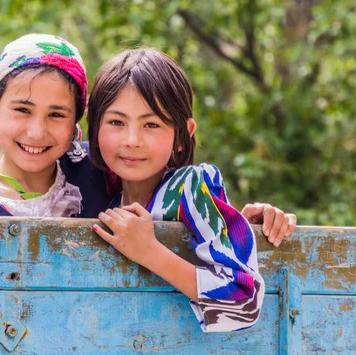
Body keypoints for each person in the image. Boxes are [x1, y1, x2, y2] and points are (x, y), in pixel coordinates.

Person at [0, 34, 296, 324]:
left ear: (77, 125)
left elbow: (235, 286)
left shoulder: (100, 177)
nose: (36, 132)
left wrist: (240, 224)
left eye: (57, 114)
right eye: (22, 109)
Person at [87, 48, 265, 332]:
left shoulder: (192, 187)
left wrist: (149, 251)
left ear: (183, 135)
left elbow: (244, 299)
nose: (132, 140)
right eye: (117, 122)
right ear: (95, 129)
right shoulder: (99, 196)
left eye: (151, 124)